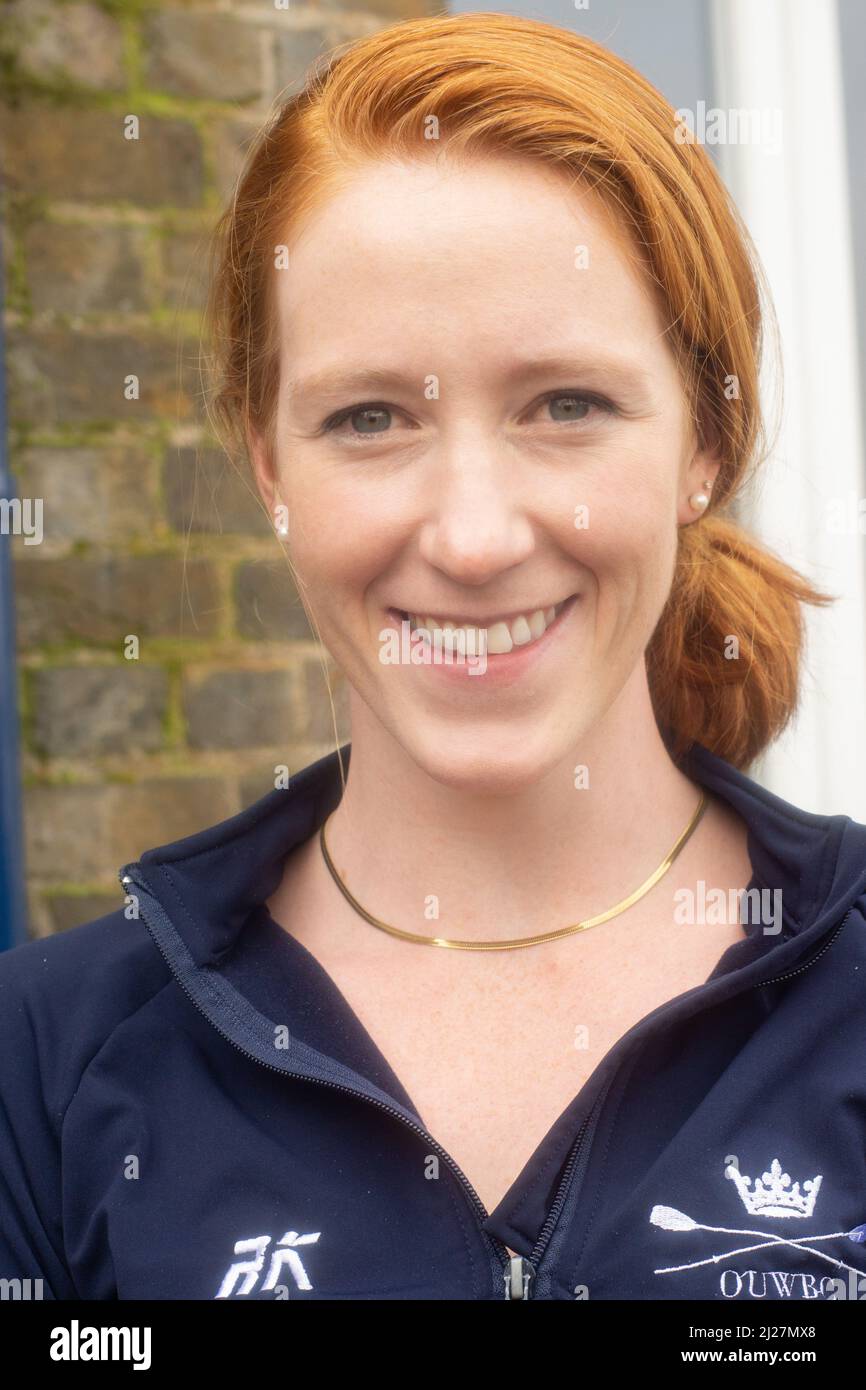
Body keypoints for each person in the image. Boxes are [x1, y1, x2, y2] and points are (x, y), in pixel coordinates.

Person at [2, 12, 865, 1303]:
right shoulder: (44, 1058)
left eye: (564, 404)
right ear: (266, 462)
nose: (470, 536)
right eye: (368, 417)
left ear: (704, 439)